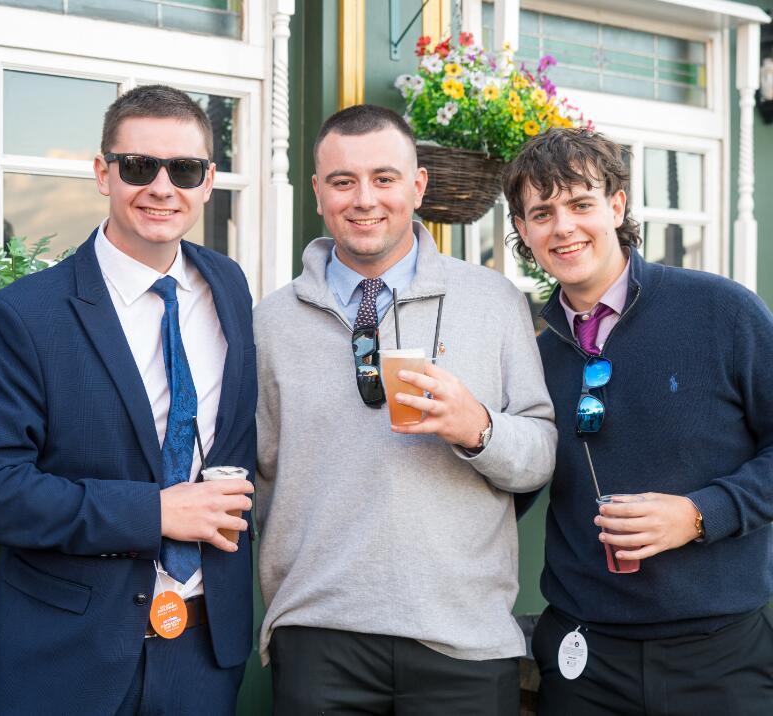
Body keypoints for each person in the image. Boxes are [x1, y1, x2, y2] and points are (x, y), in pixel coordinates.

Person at [254, 104, 557, 715]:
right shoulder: (271, 321)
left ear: (418, 186)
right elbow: (260, 473)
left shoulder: (495, 301)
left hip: (465, 640)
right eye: (343, 181)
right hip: (319, 635)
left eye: (384, 178)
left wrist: (479, 429)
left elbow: (540, 457)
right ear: (318, 193)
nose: (364, 199)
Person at [0, 84, 257, 716]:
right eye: (139, 166)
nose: (162, 186)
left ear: (208, 181)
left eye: (184, 169)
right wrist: (152, 512)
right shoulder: (20, 317)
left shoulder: (229, 286)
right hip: (67, 660)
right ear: (103, 173)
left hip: (206, 651)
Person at [504, 127, 773, 715]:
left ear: (617, 206)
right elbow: (506, 487)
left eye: (581, 203)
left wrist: (700, 515)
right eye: (541, 213)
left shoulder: (722, 311)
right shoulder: (531, 353)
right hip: (584, 659)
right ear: (523, 232)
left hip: (722, 654)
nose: (564, 227)